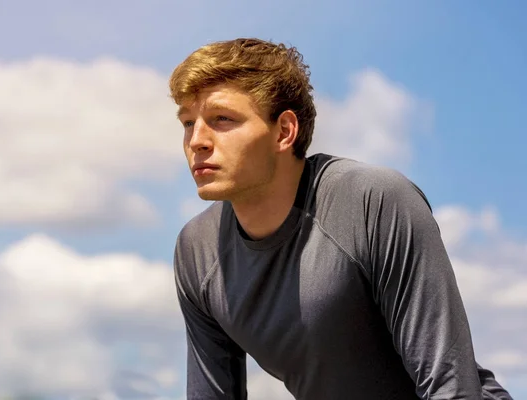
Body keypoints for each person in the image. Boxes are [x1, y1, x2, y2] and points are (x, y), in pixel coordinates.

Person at [169, 38, 513, 400]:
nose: (197, 141)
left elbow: (451, 387)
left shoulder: (374, 202)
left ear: (285, 131)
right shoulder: (197, 250)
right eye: (188, 123)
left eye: (222, 119)